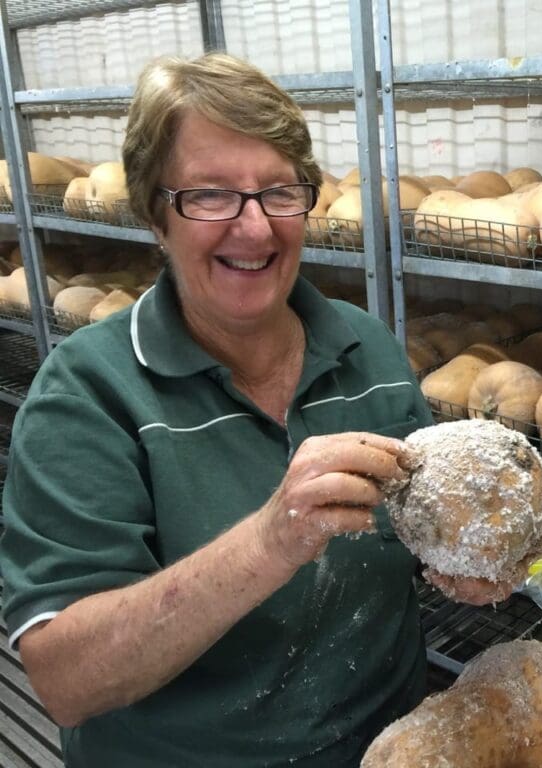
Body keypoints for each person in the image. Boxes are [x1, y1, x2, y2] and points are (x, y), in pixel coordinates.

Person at [0, 52, 501, 767]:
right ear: (154, 213)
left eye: (278, 192)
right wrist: (269, 542)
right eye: (210, 195)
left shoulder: (367, 350)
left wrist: (465, 559)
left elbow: (417, 536)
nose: (256, 229)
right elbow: (65, 679)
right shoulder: (85, 396)